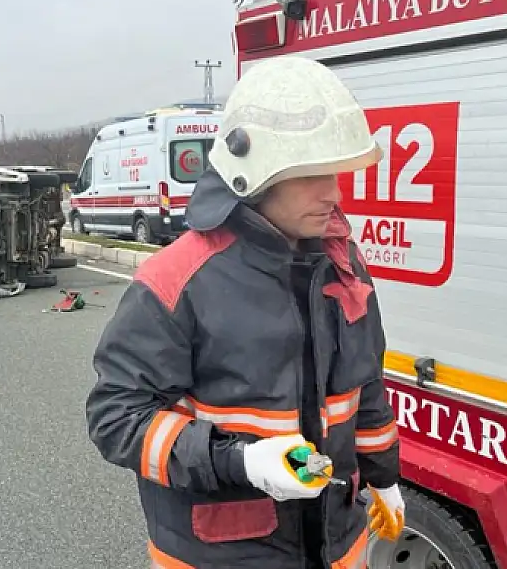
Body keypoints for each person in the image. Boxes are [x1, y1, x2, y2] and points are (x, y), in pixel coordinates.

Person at [85, 56, 403, 569]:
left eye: (337, 172)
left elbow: (364, 388)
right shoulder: (177, 281)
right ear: (252, 176)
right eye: (312, 175)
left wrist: (384, 478)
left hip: (338, 545)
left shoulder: (343, 266)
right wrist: (242, 462)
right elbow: (116, 418)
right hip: (222, 555)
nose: (335, 194)